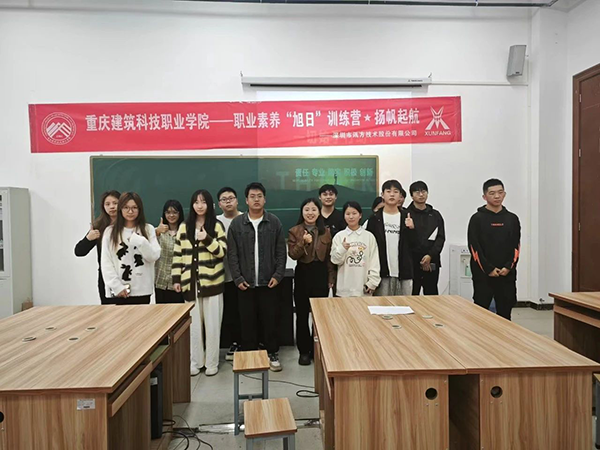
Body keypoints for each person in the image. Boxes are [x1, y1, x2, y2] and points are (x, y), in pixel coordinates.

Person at [227, 182, 287, 372]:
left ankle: (272, 353)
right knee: (247, 321)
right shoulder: (237, 224)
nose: (256, 199)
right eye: (252, 196)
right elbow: (232, 255)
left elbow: (281, 252)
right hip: (245, 282)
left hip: (269, 282)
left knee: (270, 320)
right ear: (246, 200)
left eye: (259, 196)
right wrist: (237, 278)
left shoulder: (274, 222)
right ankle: (250, 356)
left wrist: (278, 275)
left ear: (265, 199)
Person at [172, 190, 227, 376]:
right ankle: (195, 362)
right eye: (196, 202)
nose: (200, 205)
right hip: (190, 284)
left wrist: (207, 239)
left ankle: (211, 363)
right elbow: (178, 255)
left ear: (209, 204)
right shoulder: (184, 227)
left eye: (203, 202)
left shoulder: (216, 225)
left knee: (212, 326)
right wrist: (177, 279)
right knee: (194, 327)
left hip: (212, 283)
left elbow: (222, 252)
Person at [288, 198, 335, 366]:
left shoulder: (326, 231)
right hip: (303, 273)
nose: (310, 213)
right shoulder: (294, 231)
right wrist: (303, 242)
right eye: (307, 209)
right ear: (302, 212)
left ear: (319, 212)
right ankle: (304, 351)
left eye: (314, 209)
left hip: (320, 274)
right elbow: (293, 255)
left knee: (319, 316)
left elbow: (329, 258)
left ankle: (317, 349)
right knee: (301, 314)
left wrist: (331, 278)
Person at [468, 179, 521, 321]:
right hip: (483, 275)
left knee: (505, 313)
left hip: (506, 274)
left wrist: (508, 267)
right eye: (492, 193)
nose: (497, 196)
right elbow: (474, 248)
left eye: (500, 192)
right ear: (484, 197)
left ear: (504, 194)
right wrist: (489, 269)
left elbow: (516, 247)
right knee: (482, 313)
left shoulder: (512, 219)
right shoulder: (477, 219)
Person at [101, 192, 160, 305]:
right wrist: (117, 286)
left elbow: (153, 256)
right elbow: (106, 262)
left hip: (142, 291)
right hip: (118, 291)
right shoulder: (110, 232)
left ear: (140, 209)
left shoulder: (148, 229)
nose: (130, 211)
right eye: (126, 208)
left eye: (134, 208)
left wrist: (140, 241)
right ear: (120, 209)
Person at [366, 180, 415, 296]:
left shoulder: (407, 217)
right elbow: (369, 246)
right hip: (381, 272)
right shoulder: (374, 219)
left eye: (395, 192)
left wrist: (412, 229)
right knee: (381, 305)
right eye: (388, 191)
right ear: (382, 195)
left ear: (400, 196)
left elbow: (415, 245)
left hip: (404, 272)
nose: (392, 194)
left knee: (404, 305)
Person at [75, 190, 120, 304]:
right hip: (106, 277)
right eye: (107, 204)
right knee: (110, 311)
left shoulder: (130, 224)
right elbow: (79, 251)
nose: (112, 207)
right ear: (103, 207)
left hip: (128, 275)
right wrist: (88, 239)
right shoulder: (99, 226)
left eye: (115, 203)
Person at [331, 201, 380, 297]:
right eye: (348, 214)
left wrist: (373, 282)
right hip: (344, 289)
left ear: (360, 215)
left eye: (354, 213)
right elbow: (335, 261)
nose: (351, 217)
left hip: (364, 288)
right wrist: (342, 248)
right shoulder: (339, 236)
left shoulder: (369, 236)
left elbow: (374, 261)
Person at [216, 187, 243, 362]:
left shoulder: (245, 219)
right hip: (222, 274)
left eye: (231, 198)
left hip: (244, 274)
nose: (228, 202)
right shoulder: (215, 222)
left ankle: (247, 342)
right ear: (219, 204)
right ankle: (234, 342)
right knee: (230, 311)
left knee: (245, 310)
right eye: (224, 199)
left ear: (237, 201)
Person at [407, 181, 446, 295]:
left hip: (431, 262)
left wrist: (429, 256)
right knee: (411, 296)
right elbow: (407, 240)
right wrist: (421, 259)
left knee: (432, 295)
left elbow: (440, 238)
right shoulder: (406, 214)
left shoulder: (435, 215)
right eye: (417, 192)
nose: (421, 194)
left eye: (423, 191)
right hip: (412, 263)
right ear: (411, 195)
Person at [154, 200, 185, 304]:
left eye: (175, 212)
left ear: (180, 214)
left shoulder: (185, 232)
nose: (171, 215)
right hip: (160, 281)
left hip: (178, 282)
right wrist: (156, 232)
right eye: (168, 212)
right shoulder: (158, 232)